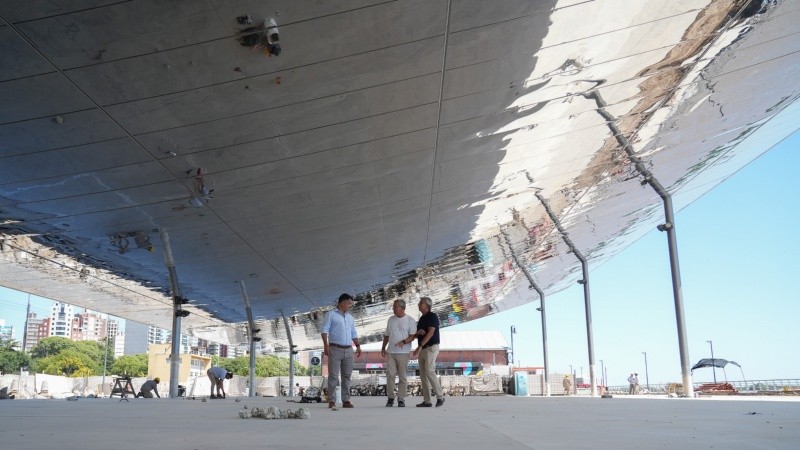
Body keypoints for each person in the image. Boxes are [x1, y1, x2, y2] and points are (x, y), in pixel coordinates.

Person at [321, 293, 362, 409]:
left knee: (347, 376)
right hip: (335, 348)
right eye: (349, 303)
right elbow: (324, 331)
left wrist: (358, 346)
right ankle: (332, 400)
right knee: (333, 376)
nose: (350, 306)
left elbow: (353, 333)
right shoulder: (331, 314)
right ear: (342, 302)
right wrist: (325, 346)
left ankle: (346, 400)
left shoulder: (350, 317)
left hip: (348, 350)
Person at [381, 299, 418, 407]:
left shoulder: (410, 320)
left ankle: (401, 399)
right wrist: (383, 347)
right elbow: (386, 335)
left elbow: (413, 336)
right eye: (393, 306)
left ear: (402, 308)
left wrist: (403, 342)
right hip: (391, 352)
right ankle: (390, 398)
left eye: (395, 306)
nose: (393, 308)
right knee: (390, 374)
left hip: (403, 353)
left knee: (402, 376)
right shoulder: (391, 319)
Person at [412, 296, 444, 407]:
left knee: (430, 371)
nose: (418, 305)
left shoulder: (432, 316)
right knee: (423, 375)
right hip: (423, 348)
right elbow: (419, 333)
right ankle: (427, 401)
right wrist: (418, 333)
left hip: (430, 347)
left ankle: (440, 396)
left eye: (421, 303)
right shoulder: (421, 319)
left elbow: (431, 333)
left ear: (427, 306)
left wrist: (419, 346)